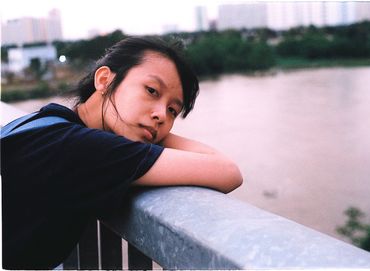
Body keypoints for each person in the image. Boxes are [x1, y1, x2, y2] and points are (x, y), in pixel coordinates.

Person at [1, 36, 242, 269]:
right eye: (151, 91)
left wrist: (147, 129)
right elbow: (227, 171)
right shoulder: (82, 148)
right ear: (104, 80)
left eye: (172, 110)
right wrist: (152, 134)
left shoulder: (44, 123)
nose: (161, 115)